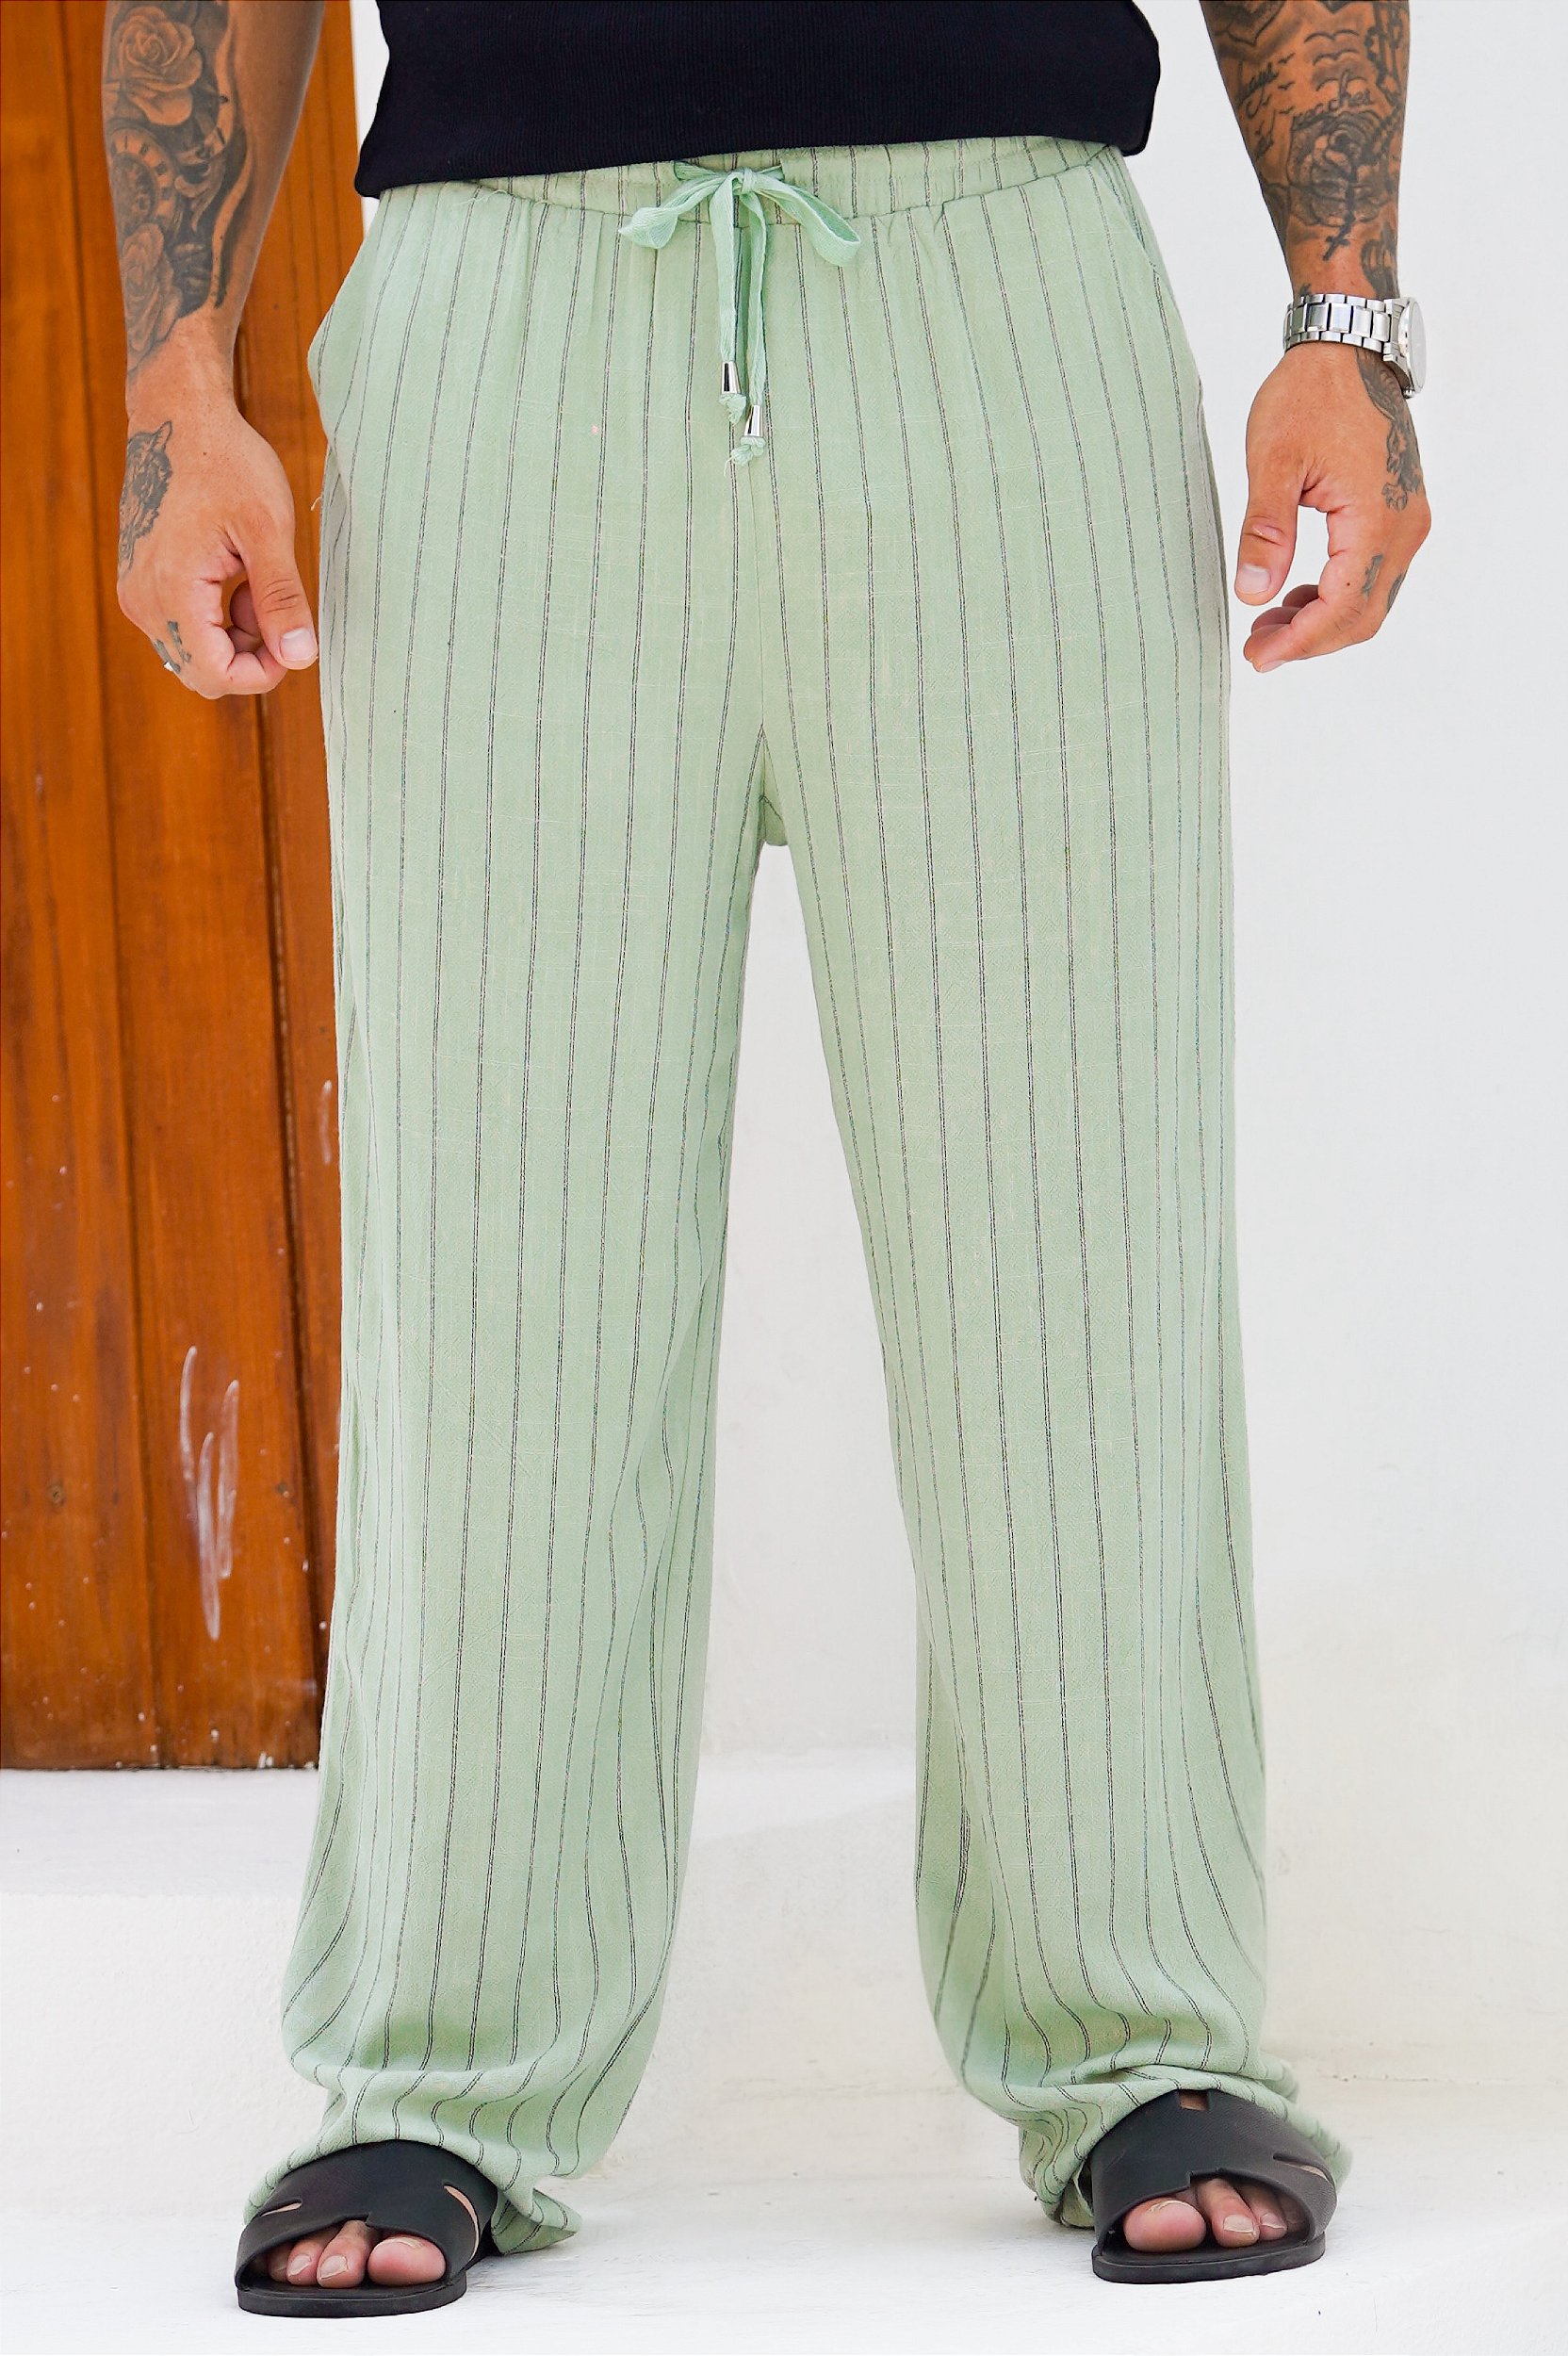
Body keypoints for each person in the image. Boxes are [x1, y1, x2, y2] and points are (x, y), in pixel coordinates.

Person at [105, 0, 1428, 2315]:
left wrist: (1349, 318)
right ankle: (440, 2058)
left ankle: (1136, 2025)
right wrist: (172, 388)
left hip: (998, 282)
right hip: (507, 308)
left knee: (1072, 1221)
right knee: (496, 1247)